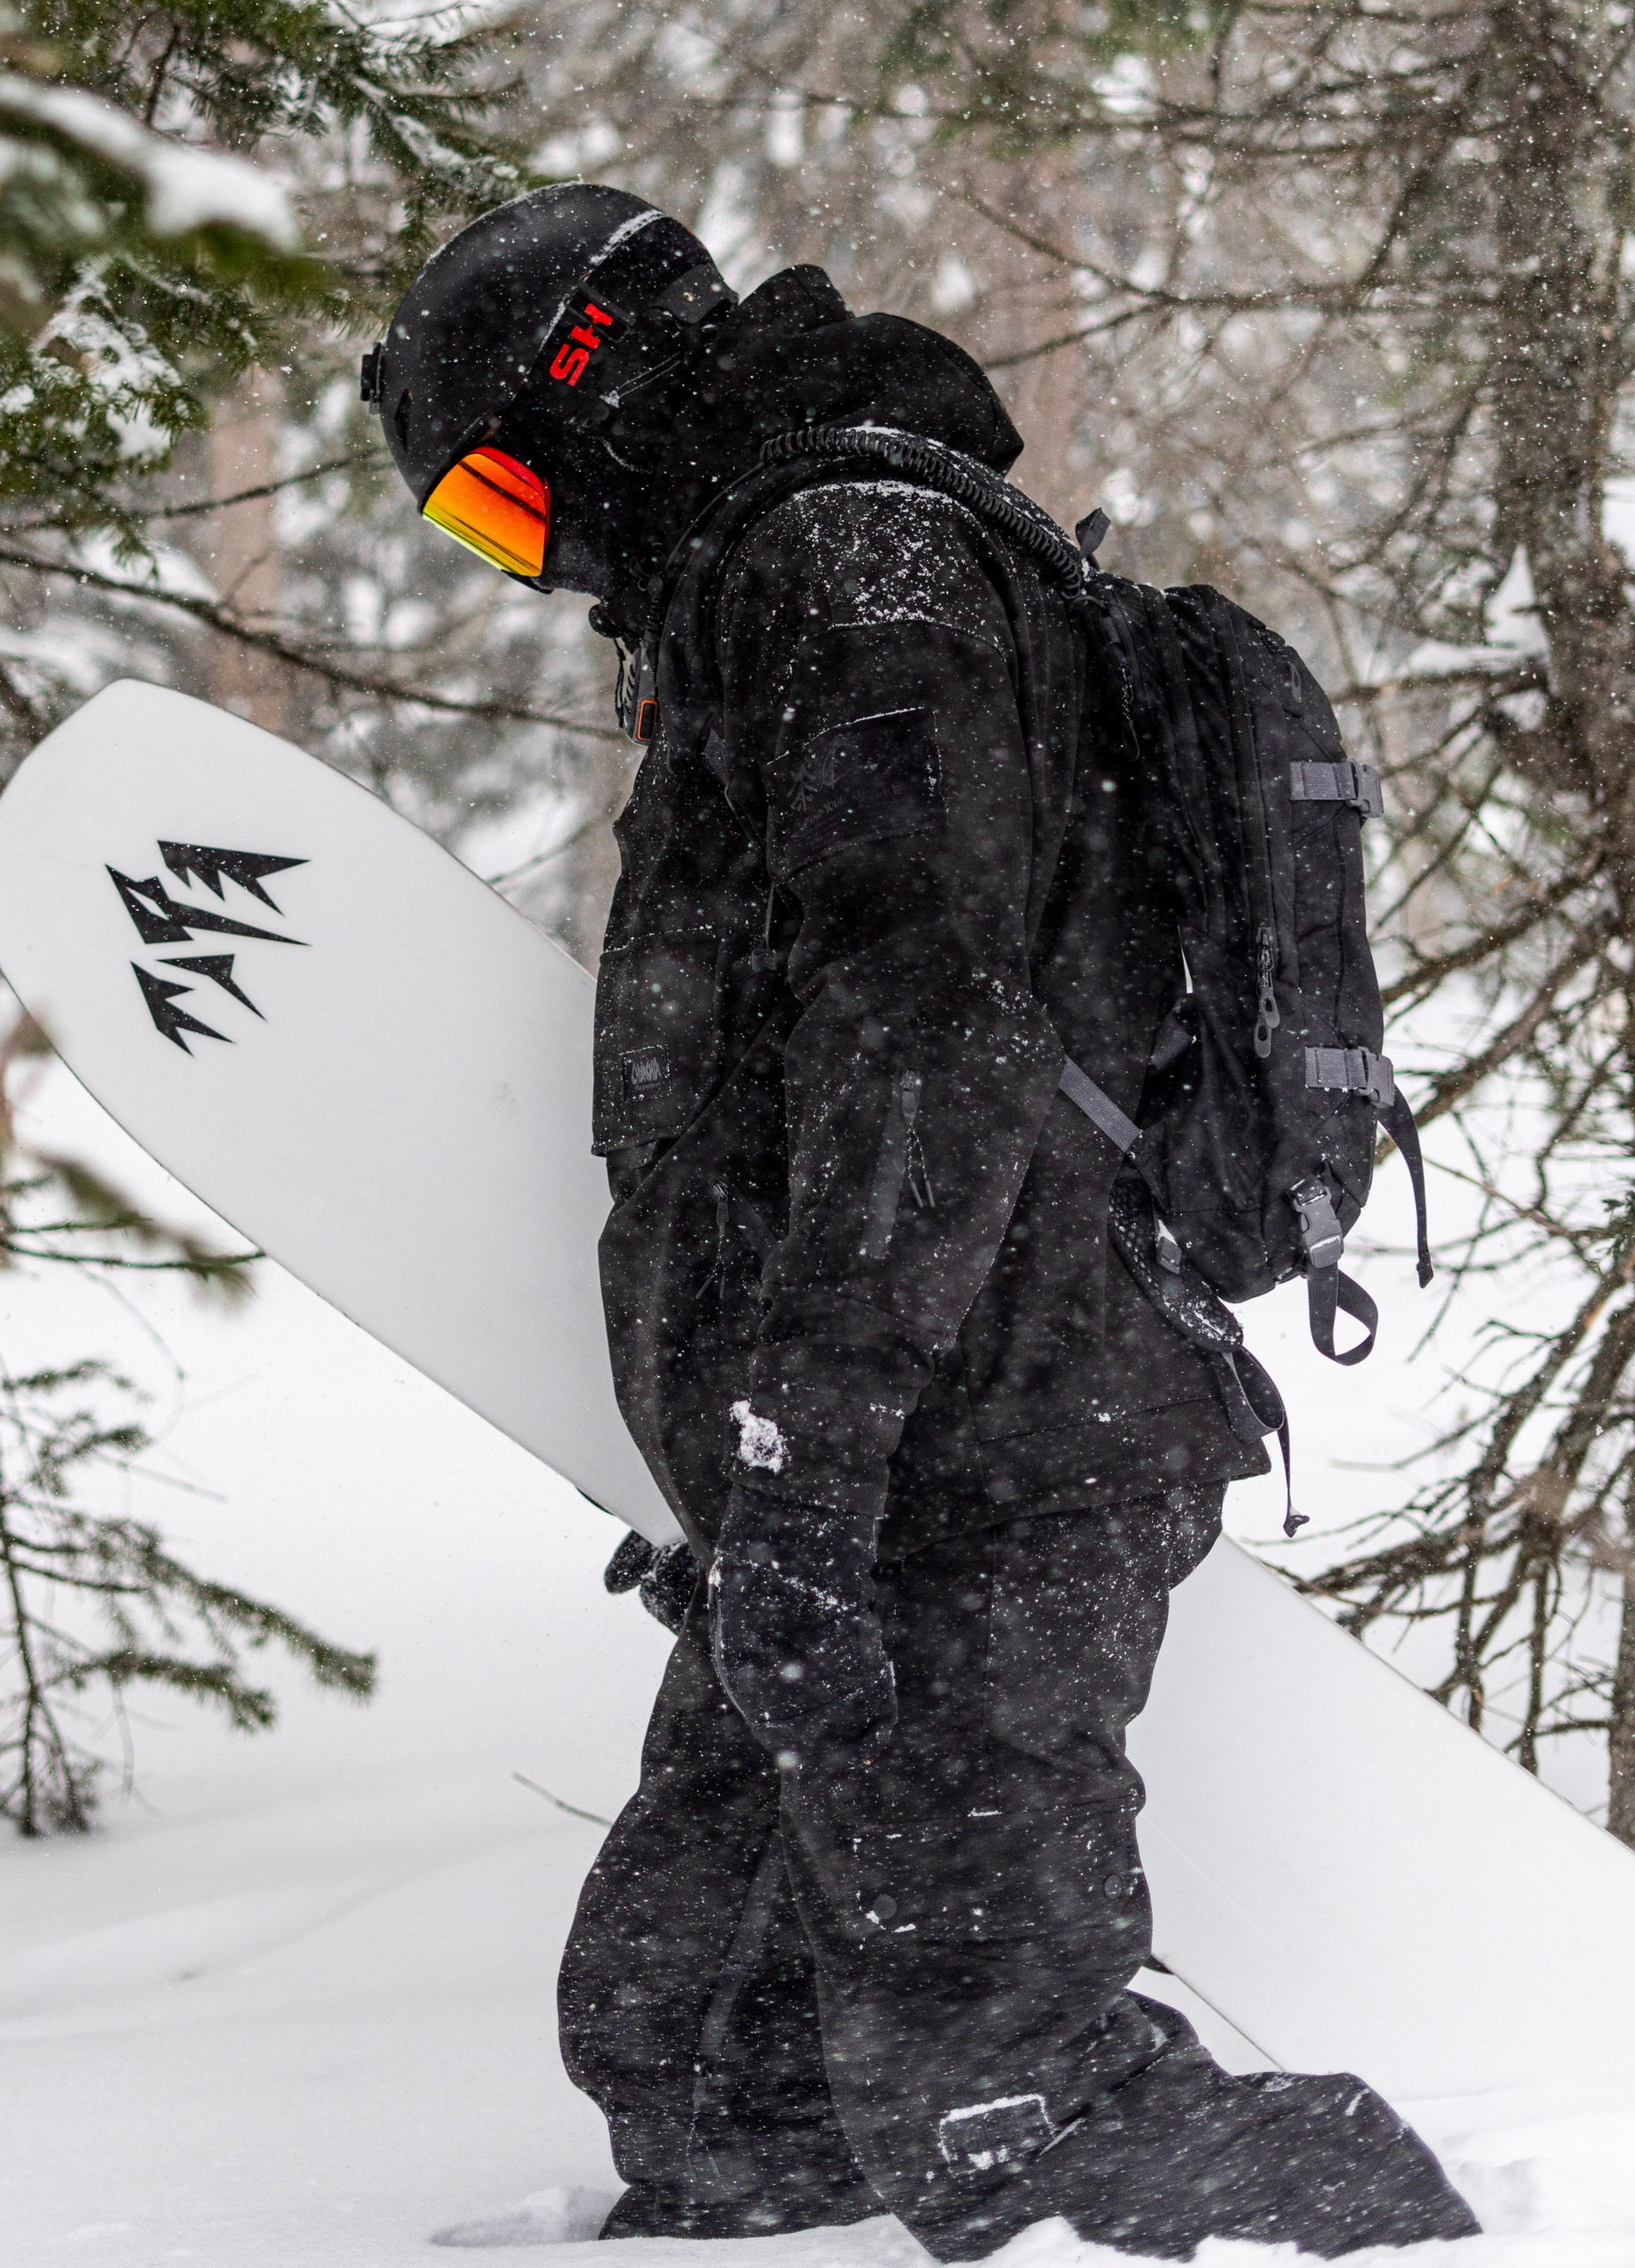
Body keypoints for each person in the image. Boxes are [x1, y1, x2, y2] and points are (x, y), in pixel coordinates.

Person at [365, 185, 1479, 2257]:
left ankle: (1434, 2235)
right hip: (884, 1461)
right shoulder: (783, 577)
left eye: (506, 504)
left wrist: (809, 1466)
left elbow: (922, 1030)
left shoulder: (853, 573)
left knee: (995, 2095)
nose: (532, 565)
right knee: (690, 2046)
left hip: (985, 1441)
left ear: (593, 394)